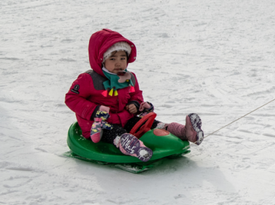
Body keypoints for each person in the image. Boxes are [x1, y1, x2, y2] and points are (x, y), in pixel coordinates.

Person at [65, 29, 204, 162]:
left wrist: (136, 104)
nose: (119, 62)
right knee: (113, 131)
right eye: (112, 58)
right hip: (100, 125)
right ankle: (132, 146)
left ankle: (185, 132)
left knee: (150, 124)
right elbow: (71, 98)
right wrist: (94, 110)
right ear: (100, 59)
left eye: (122, 57)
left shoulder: (129, 77)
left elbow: (135, 94)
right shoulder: (88, 79)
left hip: (126, 118)